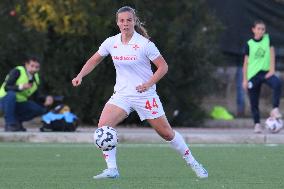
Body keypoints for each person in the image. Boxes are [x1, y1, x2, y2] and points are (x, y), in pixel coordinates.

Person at [72, 6, 208, 179]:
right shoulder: (111, 42)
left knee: (166, 133)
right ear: (117, 23)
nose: (125, 23)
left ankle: (193, 163)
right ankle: (112, 169)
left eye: (129, 20)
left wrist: (148, 84)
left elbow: (163, 67)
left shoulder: (144, 44)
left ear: (134, 21)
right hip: (122, 95)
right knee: (103, 128)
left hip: (145, 95)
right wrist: (80, 75)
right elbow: (94, 60)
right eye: (122, 20)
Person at [242, 20, 282, 133]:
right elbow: (245, 63)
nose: (261, 31)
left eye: (263, 29)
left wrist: (272, 70)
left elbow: (272, 54)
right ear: (253, 30)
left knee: (277, 83)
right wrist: (245, 79)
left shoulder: (267, 39)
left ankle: (275, 109)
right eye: (258, 29)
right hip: (253, 75)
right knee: (254, 101)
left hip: (265, 73)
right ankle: (257, 124)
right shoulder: (249, 44)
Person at [0, 56, 54, 132]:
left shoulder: (36, 78)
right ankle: (10, 124)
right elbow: (7, 87)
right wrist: (21, 87)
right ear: (26, 64)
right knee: (11, 95)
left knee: (40, 109)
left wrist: (46, 99)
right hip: (4, 100)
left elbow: (36, 96)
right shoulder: (18, 71)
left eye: (37, 67)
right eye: (32, 66)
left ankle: (17, 122)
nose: (34, 69)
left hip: (20, 103)